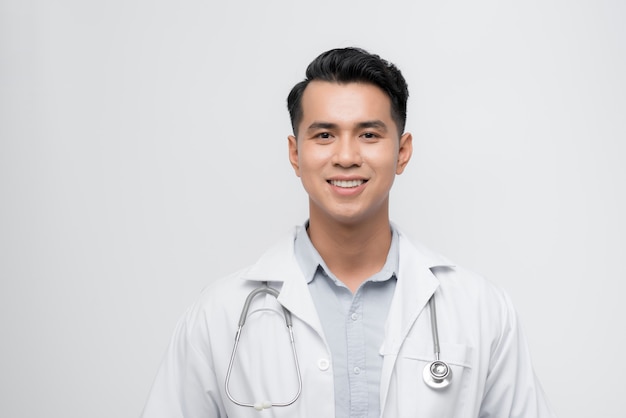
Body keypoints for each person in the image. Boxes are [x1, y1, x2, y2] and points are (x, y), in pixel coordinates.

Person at [141, 47, 555, 417]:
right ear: (295, 153)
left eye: (369, 135)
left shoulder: (480, 309)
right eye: (324, 135)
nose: (346, 156)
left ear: (402, 151)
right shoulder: (218, 315)